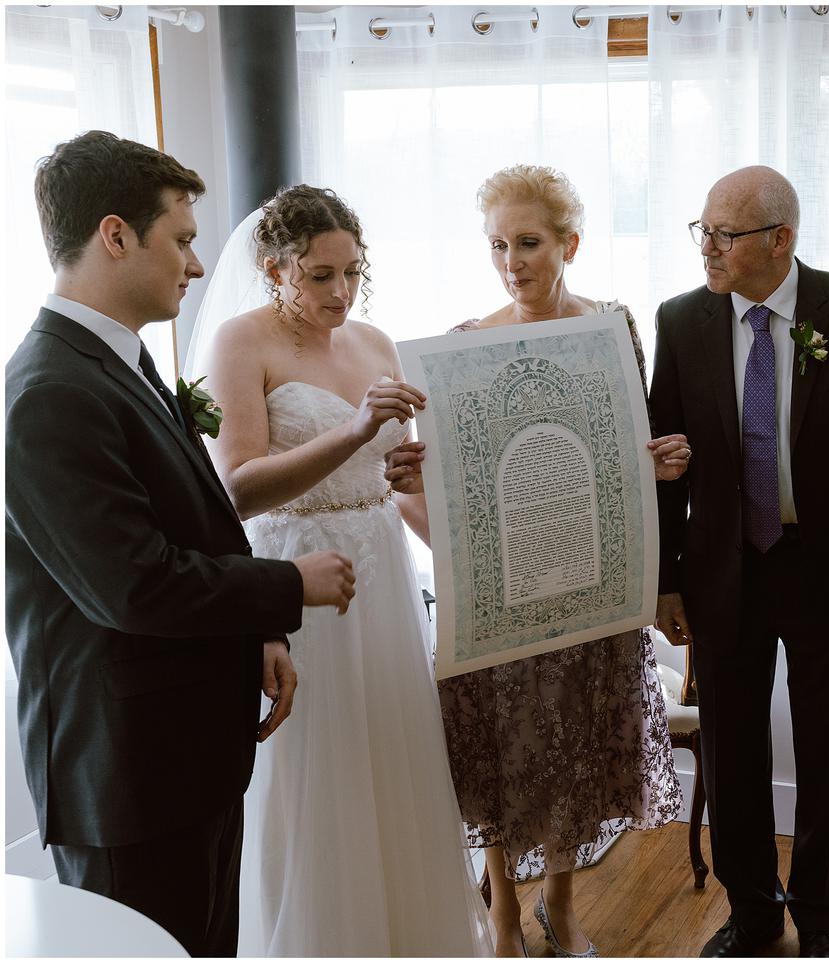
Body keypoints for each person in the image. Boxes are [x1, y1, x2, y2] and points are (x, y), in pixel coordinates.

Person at [5, 132, 356, 958]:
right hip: (127, 778)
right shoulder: (49, 390)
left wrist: (257, 632)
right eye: (184, 239)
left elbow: (189, 520)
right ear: (116, 235)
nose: (197, 266)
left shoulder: (117, 362)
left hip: (183, 756)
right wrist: (285, 586)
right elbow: (133, 586)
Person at [384, 163, 686, 959]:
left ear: (569, 244)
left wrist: (657, 462)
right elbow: (449, 493)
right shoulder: (460, 349)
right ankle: (505, 915)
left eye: (528, 242)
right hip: (499, 602)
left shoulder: (611, 331)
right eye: (497, 245)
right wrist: (428, 499)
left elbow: (622, 454)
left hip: (590, 593)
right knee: (498, 757)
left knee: (577, 751)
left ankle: (559, 902)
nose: (512, 260)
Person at [193, 185, 494, 956]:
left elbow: (392, 480)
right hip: (296, 571)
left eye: (352, 272)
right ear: (274, 267)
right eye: (319, 275)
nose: (340, 292)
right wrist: (359, 425)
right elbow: (238, 483)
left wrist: (406, 469)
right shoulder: (240, 341)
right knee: (314, 777)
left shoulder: (377, 342)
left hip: (382, 574)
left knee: (391, 757)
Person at [646, 165, 829, 958]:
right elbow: (669, 454)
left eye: (723, 235)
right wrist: (666, 575)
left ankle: (820, 916)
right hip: (723, 570)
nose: (707, 247)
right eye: (701, 230)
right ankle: (754, 913)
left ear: (780, 240)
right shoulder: (682, 318)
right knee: (732, 749)